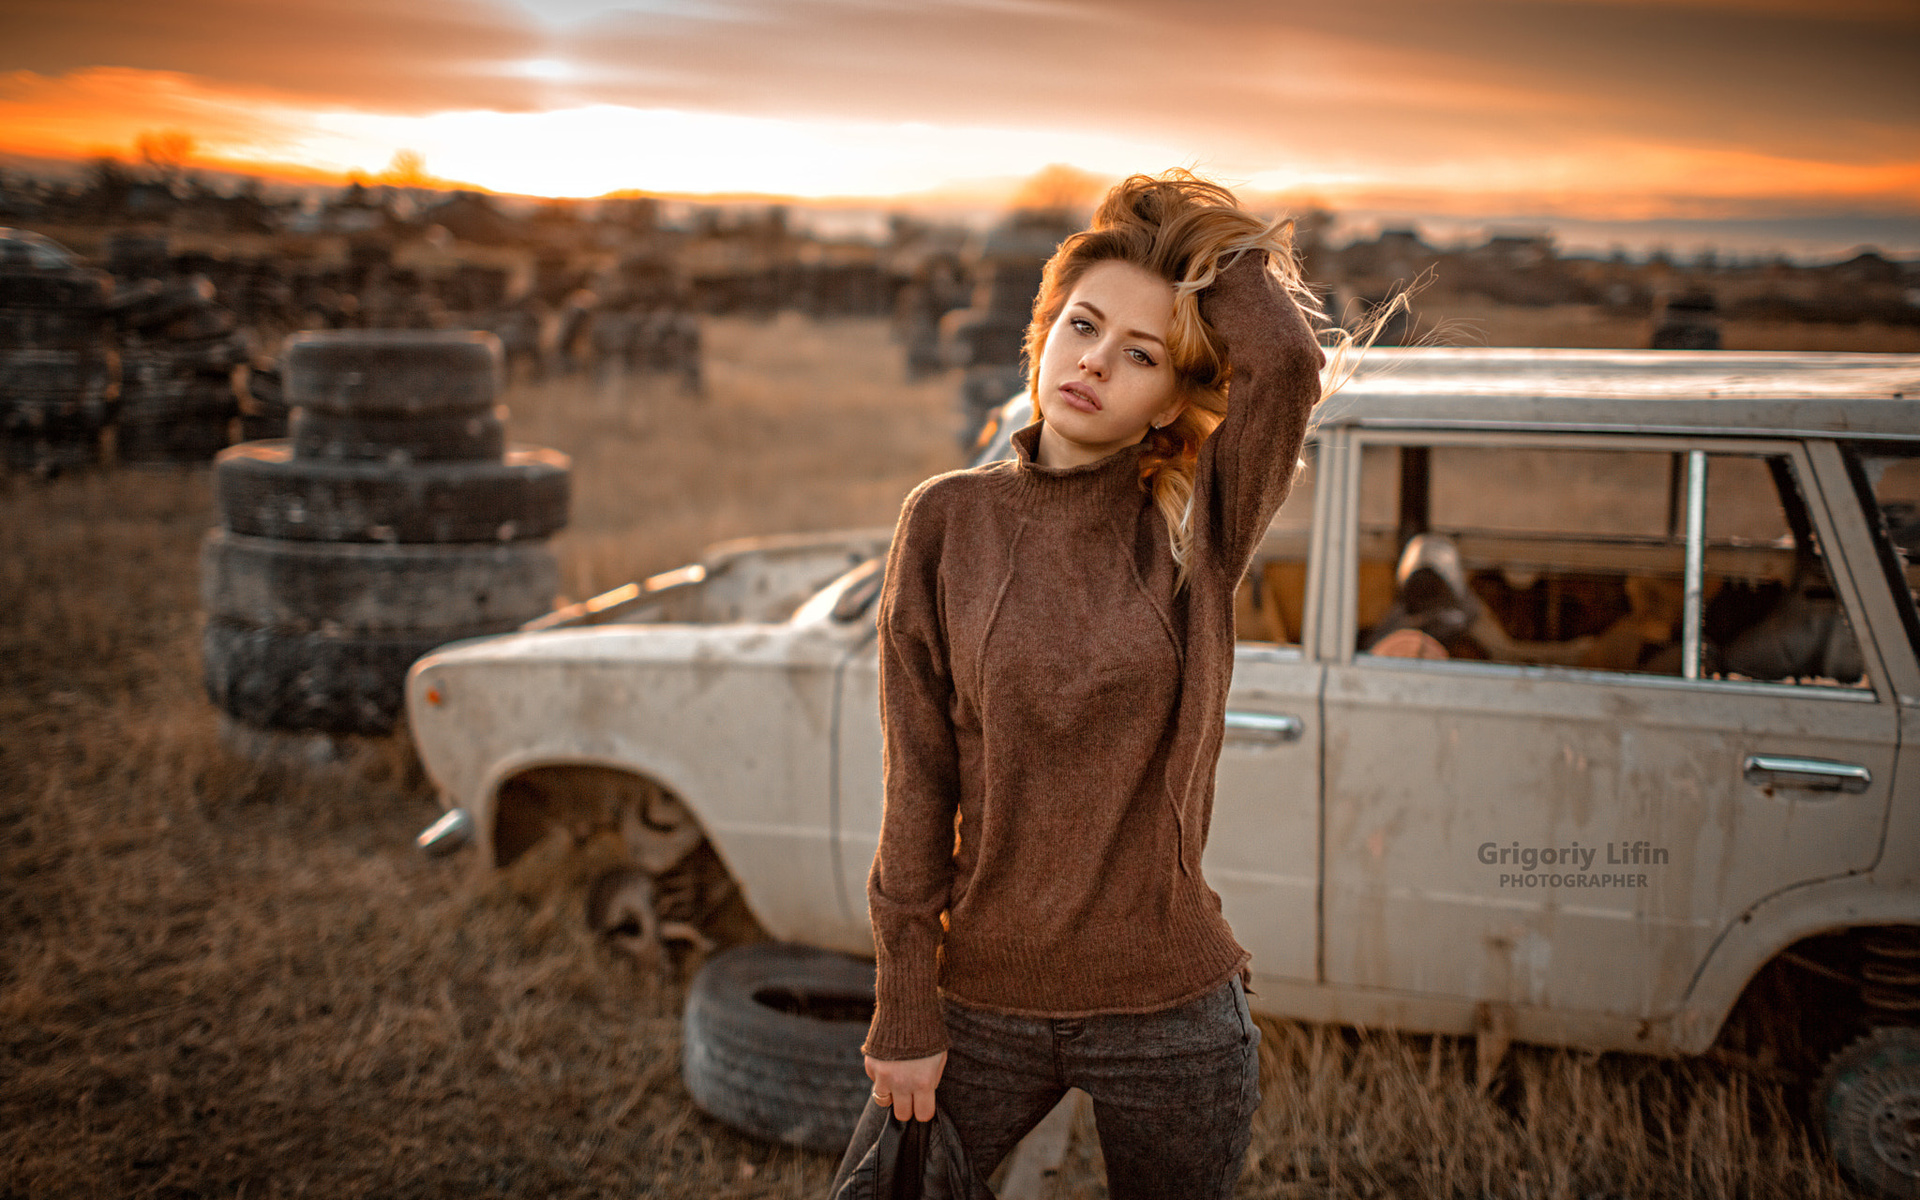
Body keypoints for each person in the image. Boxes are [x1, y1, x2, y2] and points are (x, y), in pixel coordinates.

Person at [858, 170, 1332, 1199]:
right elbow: (918, 782)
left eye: (1142, 354)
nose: (1095, 362)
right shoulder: (944, 522)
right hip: (980, 992)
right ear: (1042, 334)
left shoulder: (1196, 534)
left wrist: (1170, 224)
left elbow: (1289, 361)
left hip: (1169, 1007)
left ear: (1174, 401)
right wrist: (905, 1001)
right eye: (1082, 325)